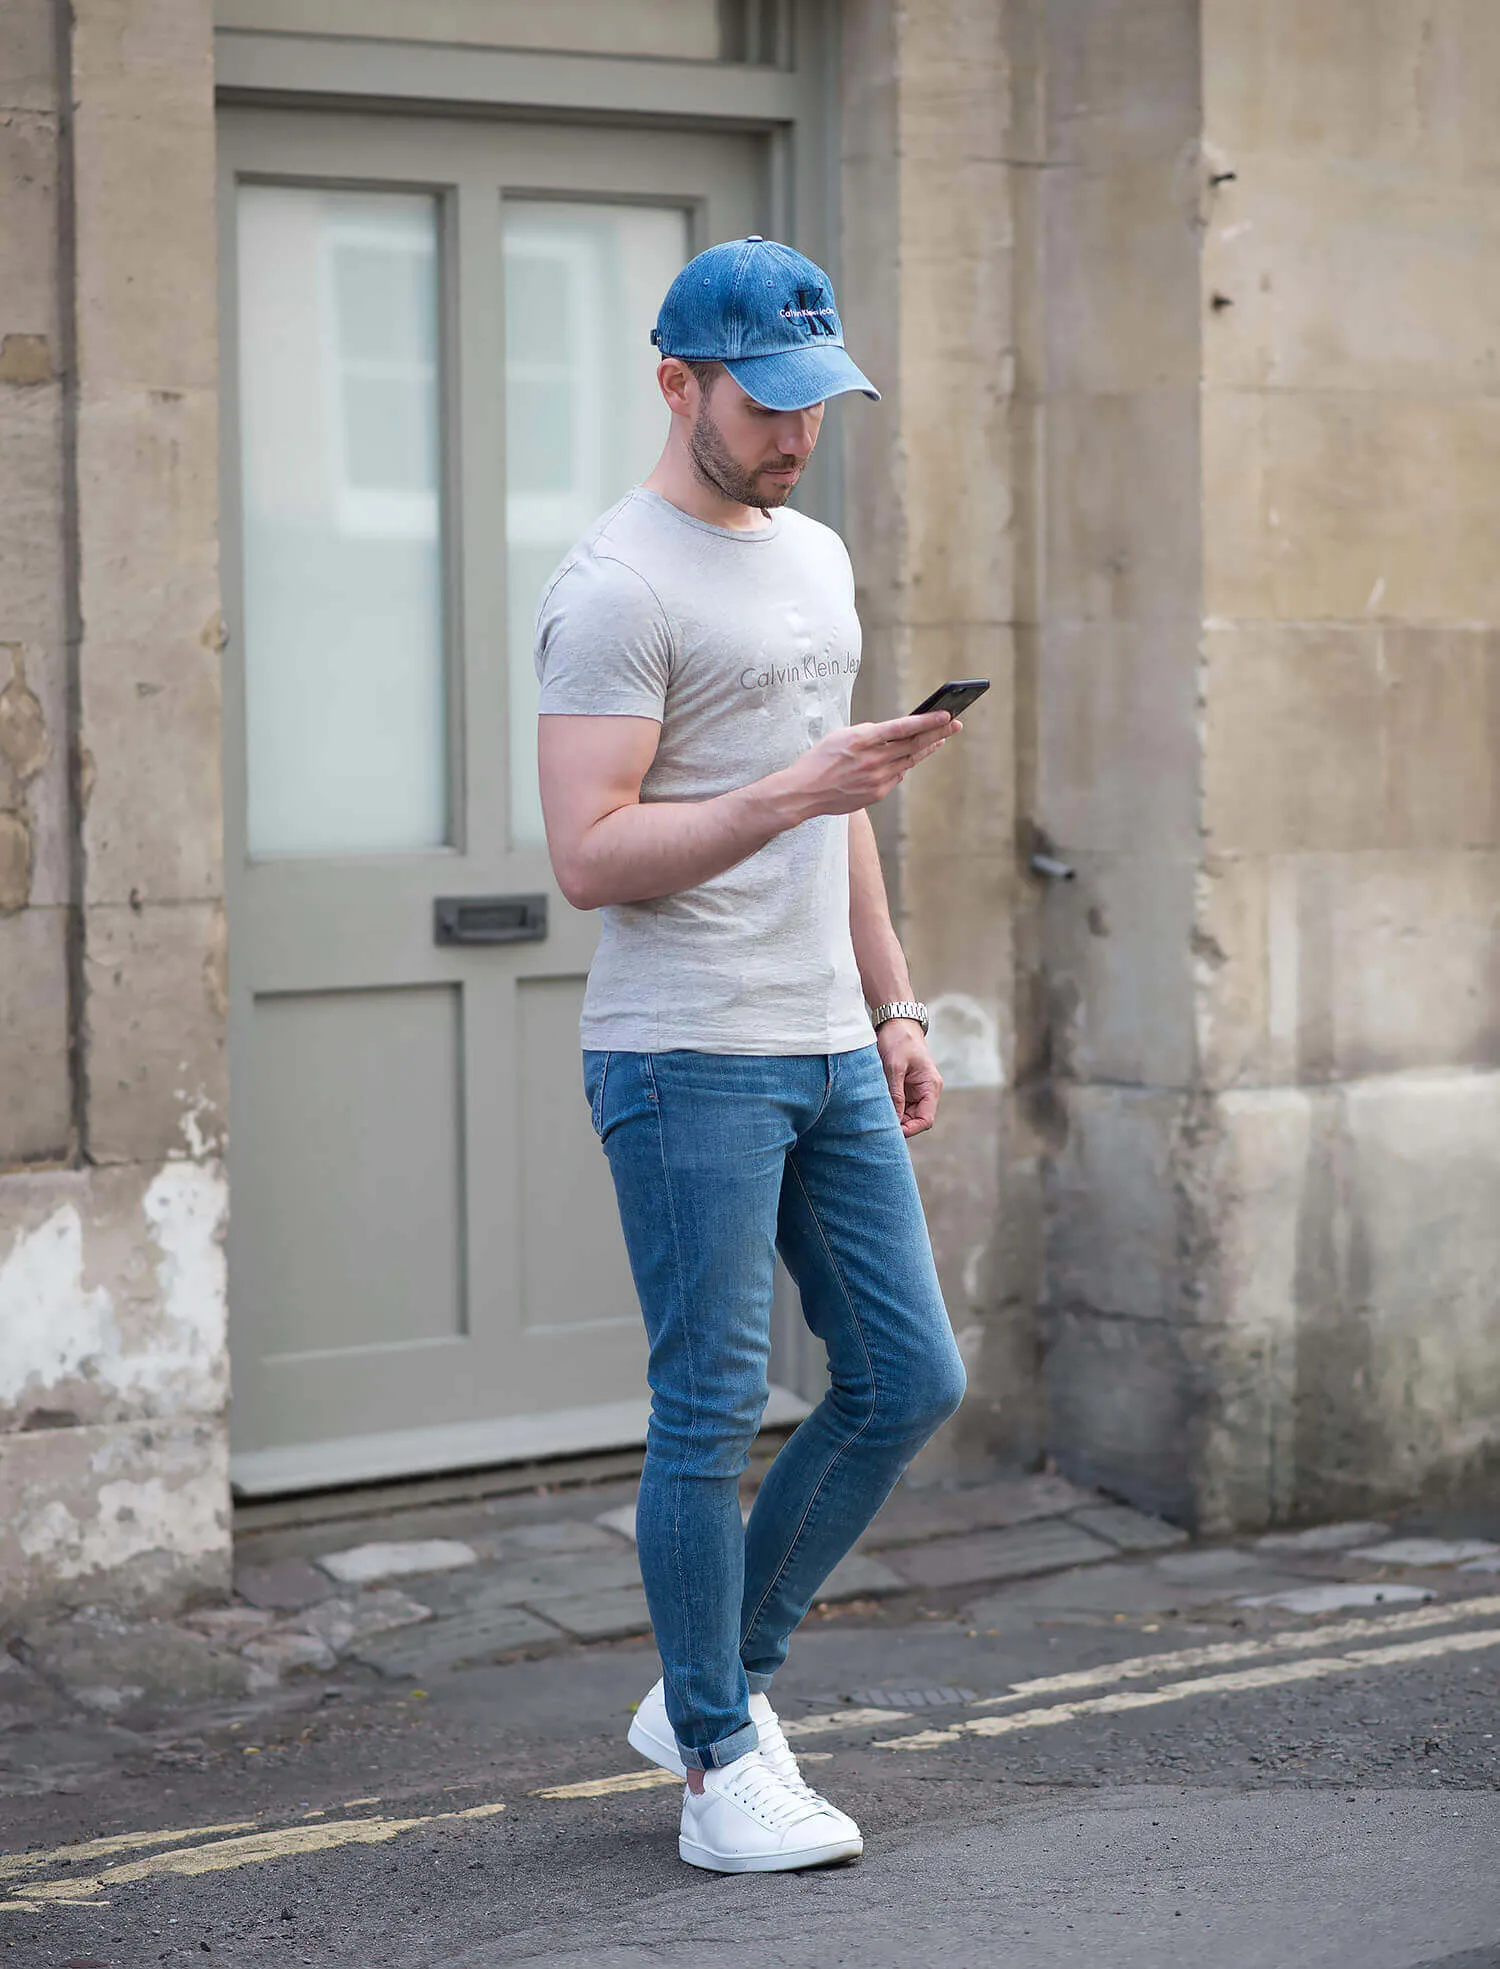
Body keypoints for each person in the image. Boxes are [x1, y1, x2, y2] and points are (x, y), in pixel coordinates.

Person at [533, 236, 968, 1873]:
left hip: (823, 1043)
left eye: (817, 403)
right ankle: (720, 1766)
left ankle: (711, 1679)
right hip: (684, 1051)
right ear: (678, 383)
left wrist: (893, 1002)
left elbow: (837, 807)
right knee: (708, 1410)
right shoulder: (612, 590)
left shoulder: (815, 558)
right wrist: (791, 790)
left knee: (908, 1376)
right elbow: (590, 856)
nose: (795, 435)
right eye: (767, 403)